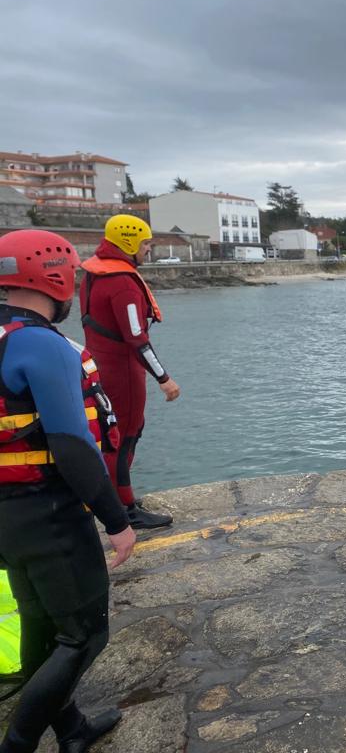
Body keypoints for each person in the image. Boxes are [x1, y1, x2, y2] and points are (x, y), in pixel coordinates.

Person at [0, 229, 136, 753]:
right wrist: (116, 520)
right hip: (48, 513)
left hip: (9, 519)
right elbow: (71, 445)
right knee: (83, 636)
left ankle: (71, 728)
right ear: (53, 276)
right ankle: (17, 745)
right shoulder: (39, 343)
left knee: (40, 623)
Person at [79, 216, 180, 529]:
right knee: (127, 436)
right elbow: (137, 337)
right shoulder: (122, 281)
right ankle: (125, 509)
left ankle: (117, 501)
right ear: (128, 242)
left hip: (97, 366)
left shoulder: (93, 273)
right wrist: (164, 379)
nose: (148, 250)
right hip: (123, 371)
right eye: (146, 244)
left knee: (112, 436)